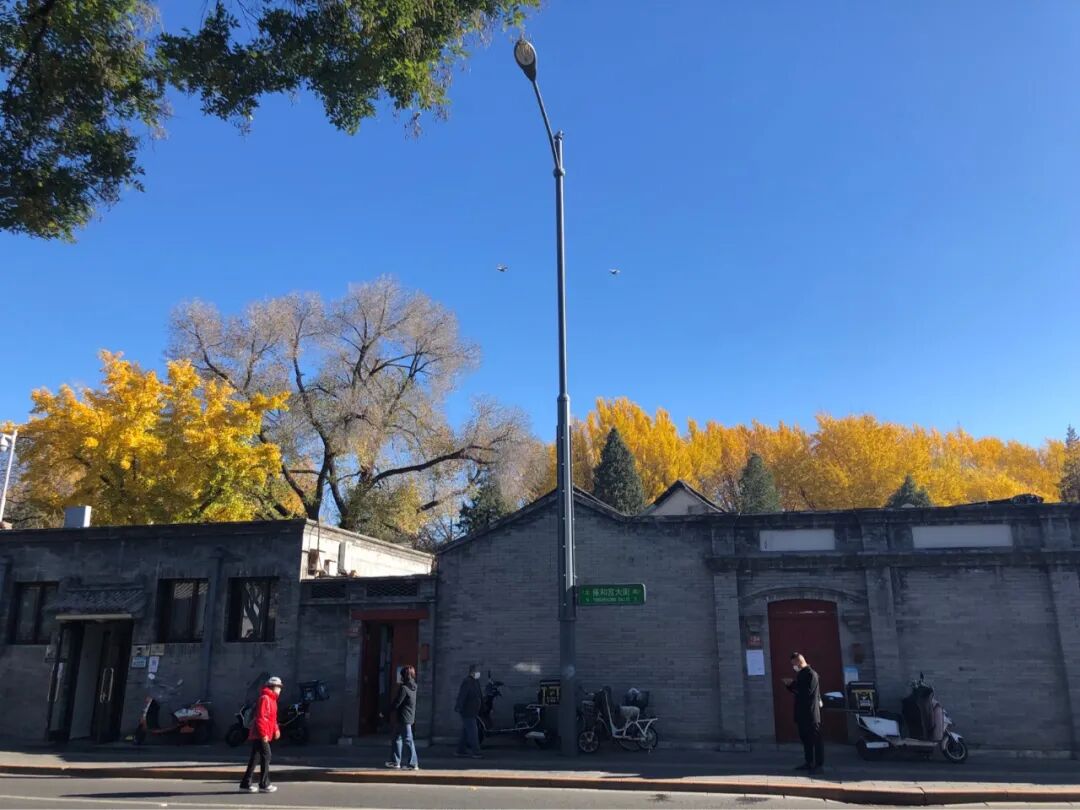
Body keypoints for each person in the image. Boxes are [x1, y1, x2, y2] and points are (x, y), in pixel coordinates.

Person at [240, 675, 282, 793]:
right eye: (278, 687)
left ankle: (245, 784)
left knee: (255, 758)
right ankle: (264, 784)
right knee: (266, 755)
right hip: (260, 733)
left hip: (263, 733)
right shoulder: (265, 698)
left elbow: (273, 718)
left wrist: (276, 729)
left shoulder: (272, 700)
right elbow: (261, 718)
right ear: (273, 687)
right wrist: (264, 734)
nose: (280, 689)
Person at [784, 652, 824, 774]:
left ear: (799, 661)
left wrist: (792, 684)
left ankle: (819, 765)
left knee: (816, 740)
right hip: (802, 714)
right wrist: (789, 686)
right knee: (806, 740)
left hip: (811, 714)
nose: (793, 667)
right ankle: (809, 762)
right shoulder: (801, 674)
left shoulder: (811, 674)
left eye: (794, 664)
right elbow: (798, 691)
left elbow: (807, 692)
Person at [385, 665, 419, 770]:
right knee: (397, 738)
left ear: (405, 675)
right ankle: (395, 761)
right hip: (409, 716)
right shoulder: (414, 687)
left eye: (402, 675)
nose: (400, 677)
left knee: (408, 740)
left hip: (403, 718)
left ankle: (413, 763)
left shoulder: (404, 688)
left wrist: (386, 712)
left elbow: (397, 702)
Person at [454, 663, 483, 758]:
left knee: (466, 731)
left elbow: (479, 695)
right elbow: (462, 695)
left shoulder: (475, 682)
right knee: (473, 732)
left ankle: (460, 750)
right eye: (478, 671)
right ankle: (476, 751)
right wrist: (459, 707)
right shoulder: (467, 682)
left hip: (473, 710)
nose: (479, 673)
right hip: (467, 711)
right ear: (473, 672)